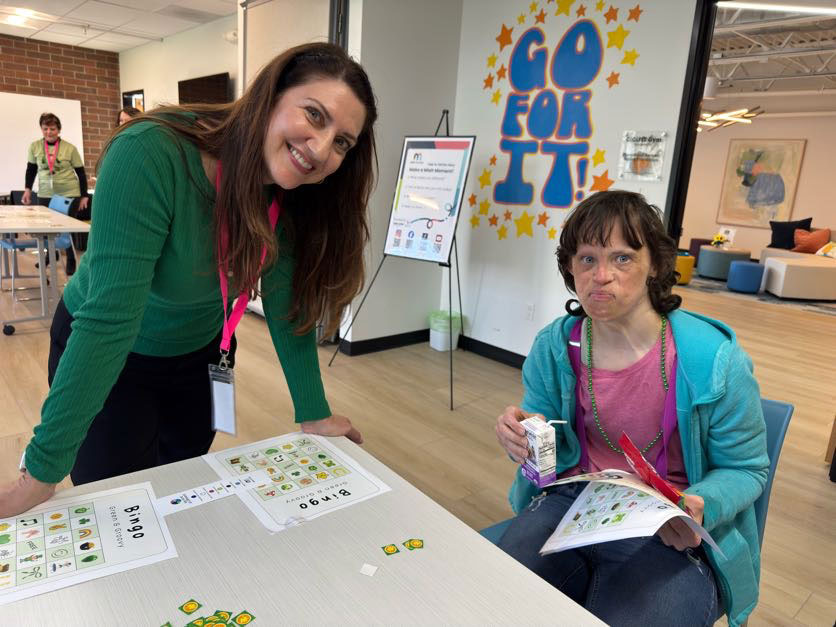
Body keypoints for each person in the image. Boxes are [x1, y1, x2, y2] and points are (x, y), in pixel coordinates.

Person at [0, 42, 377, 518]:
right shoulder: (149, 153)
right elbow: (109, 322)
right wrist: (38, 476)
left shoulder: (292, 191)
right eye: (315, 116)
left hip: (202, 357)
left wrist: (314, 413)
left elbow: (286, 309)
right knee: (111, 503)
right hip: (113, 356)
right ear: (271, 96)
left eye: (343, 141)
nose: (322, 149)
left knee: (178, 492)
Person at [494, 190, 768, 627]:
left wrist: (701, 504)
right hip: (573, 500)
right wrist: (523, 437)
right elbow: (541, 430)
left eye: (622, 258)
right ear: (570, 267)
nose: (601, 276)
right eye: (587, 259)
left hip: (670, 524)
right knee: (493, 603)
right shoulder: (555, 345)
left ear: (655, 265)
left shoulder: (712, 359)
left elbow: (748, 469)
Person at [22, 112, 90, 275]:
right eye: (45, 129)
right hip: (45, 193)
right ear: (41, 129)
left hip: (69, 193)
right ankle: (49, 257)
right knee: (46, 228)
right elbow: (31, 170)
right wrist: (27, 189)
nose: (48, 132)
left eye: (52, 129)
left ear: (58, 130)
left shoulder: (69, 148)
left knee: (67, 228)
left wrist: (84, 195)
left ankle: (72, 259)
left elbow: (80, 172)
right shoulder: (35, 147)